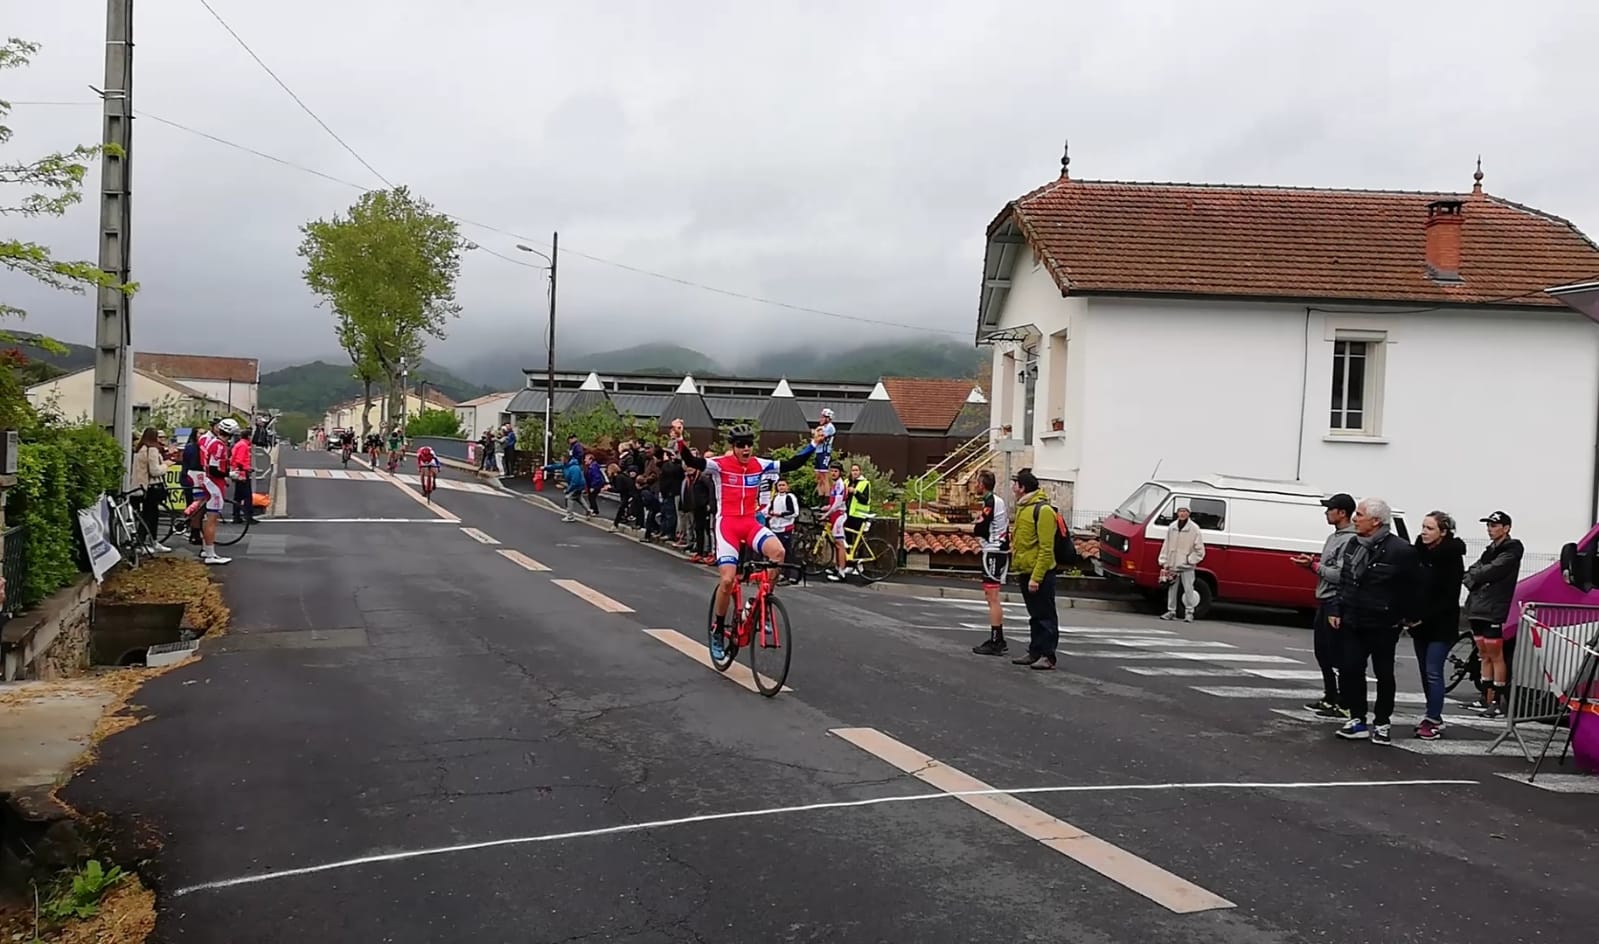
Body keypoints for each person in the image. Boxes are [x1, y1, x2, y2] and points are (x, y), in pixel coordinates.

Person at [681, 423, 818, 661]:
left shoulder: (760, 464)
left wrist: (814, 443)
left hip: (750, 523)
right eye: (740, 445)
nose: (746, 449)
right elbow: (692, 462)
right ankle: (718, 629)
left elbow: (792, 464)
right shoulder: (720, 466)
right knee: (727, 580)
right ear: (732, 447)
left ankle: (762, 602)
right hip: (728, 526)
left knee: (778, 552)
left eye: (749, 444)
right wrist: (680, 440)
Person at [1328, 497, 1419, 744]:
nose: (1355, 519)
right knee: (1350, 670)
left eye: (1359, 514)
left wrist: (1405, 616)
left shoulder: (1400, 551)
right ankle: (1358, 719)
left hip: (1383, 623)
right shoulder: (1353, 545)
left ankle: (1382, 722)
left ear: (1376, 521)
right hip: (1353, 618)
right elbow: (1345, 581)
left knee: (1384, 674)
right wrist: (1336, 608)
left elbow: (1412, 587)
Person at [1292, 493, 1359, 718]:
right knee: (1323, 653)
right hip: (1324, 599)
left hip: (1334, 600)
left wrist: (1314, 566)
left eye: (1330, 508)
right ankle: (1330, 696)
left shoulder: (1349, 539)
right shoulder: (1334, 537)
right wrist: (1312, 565)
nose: (1326, 513)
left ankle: (1344, 701)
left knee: (1336, 654)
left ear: (1342, 512)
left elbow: (1340, 574)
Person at [1463, 511, 1525, 719]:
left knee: (1496, 654)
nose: (1490, 528)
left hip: (1493, 608)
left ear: (1506, 528)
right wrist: (1475, 575)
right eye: (1489, 525)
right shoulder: (1489, 550)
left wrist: (1476, 576)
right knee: (1483, 653)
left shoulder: (1512, 549)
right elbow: (1474, 569)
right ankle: (1485, 697)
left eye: (1495, 525)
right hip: (1477, 606)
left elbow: (1490, 571)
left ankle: (1497, 701)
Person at [1411, 512, 1466, 739]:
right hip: (1419, 622)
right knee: (1425, 671)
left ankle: (1433, 719)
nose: (1424, 531)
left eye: (1430, 528)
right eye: (1423, 527)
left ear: (1443, 532)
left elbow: (1448, 596)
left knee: (1434, 671)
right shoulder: (1420, 553)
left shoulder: (1451, 557)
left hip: (1441, 623)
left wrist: (1424, 615)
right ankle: (1433, 714)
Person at [1008, 469, 1059, 670]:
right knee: (1035, 615)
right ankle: (1035, 651)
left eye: (1015, 484)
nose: (1013, 488)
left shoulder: (1043, 511)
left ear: (1022, 487)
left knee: (1046, 615)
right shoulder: (1023, 508)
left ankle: (1048, 655)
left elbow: (1046, 548)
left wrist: (1036, 577)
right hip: (1025, 569)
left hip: (1041, 573)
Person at [970, 470, 1010, 656]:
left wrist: (976, 526)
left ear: (982, 484)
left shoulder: (991, 502)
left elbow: (981, 526)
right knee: (990, 595)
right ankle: (997, 637)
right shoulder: (996, 501)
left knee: (992, 596)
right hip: (997, 548)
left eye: (976, 483)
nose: (975, 486)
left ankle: (997, 640)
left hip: (993, 550)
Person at [190, 417, 237, 565]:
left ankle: (207, 550)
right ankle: (210, 554)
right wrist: (229, 474)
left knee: (207, 518)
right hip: (214, 484)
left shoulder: (215, 443)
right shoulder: (219, 446)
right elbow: (214, 469)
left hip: (210, 482)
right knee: (211, 520)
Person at [1157, 505, 1206, 622]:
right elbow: (1166, 544)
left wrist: (1190, 560)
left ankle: (1189, 612)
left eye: (1184, 511)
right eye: (1180, 511)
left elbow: (1200, 549)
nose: (1182, 514)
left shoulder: (1194, 529)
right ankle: (1171, 611)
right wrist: (1164, 560)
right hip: (1173, 563)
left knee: (1189, 588)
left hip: (1186, 566)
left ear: (1189, 513)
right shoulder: (1172, 527)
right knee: (1172, 588)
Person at [130, 427, 172, 554]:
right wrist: (166, 465)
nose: (161, 440)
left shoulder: (141, 448)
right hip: (152, 486)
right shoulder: (152, 449)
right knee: (151, 516)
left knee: (147, 515)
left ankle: (146, 542)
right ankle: (148, 542)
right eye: (159, 437)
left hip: (141, 486)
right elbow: (154, 471)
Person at [765, 479, 800, 582]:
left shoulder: (790, 497)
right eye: (779, 485)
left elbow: (794, 512)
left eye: (783, 485)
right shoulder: (775, 497)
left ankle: (787, 575)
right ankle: (775, 574)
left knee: (786, 552)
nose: (781, 487)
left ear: (787, 486)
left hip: (786, 528)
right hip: (775, 528)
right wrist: (771, 514)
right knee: (775, 552)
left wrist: (781, 514)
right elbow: (770, 510)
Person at [842, 463, 872, 574]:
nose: (854, 472)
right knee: (848, 541)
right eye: (853, 470)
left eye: (856, 470)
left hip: (859, 515)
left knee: (859, 541)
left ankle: (859, 565)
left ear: (860, 472)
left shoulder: (865, 483)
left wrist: (855, 492)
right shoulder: (846, 482)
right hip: (848, 515)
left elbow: (865, 500)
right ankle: (850, 564)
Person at [821, 467, 848, 581]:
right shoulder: (835, 484)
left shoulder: (840, 484)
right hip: (835, 515)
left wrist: (826, 513)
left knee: (839, 544)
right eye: (831, 471)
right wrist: (827, 508)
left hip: (839, 516)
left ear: (840, 473)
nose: (833, 473)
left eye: (835, 471)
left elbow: (838, 503)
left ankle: (842, 572)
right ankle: (837, 567)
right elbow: (834, 502)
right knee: (837, 544)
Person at [229, 426, 255, 524]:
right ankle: (248, 517)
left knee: (238, 496)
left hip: (238, 472)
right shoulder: (243, 446)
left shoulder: (239, 444)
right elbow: (239, 461)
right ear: (248, 436)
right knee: (247, 496)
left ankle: (236, 516)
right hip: (242, 473)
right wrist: (247, 469)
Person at [812, 407, 836, 496]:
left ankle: (827, 498)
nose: (820, 419)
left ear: (828, 418)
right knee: (818, 477)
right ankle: (820, 496)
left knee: (824, 476)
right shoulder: (822, 427)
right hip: (818, 452)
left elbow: (819, 438)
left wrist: (816, 432)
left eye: (822, 417)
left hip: (825, 453)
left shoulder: (830, 427)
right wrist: (817, 432)